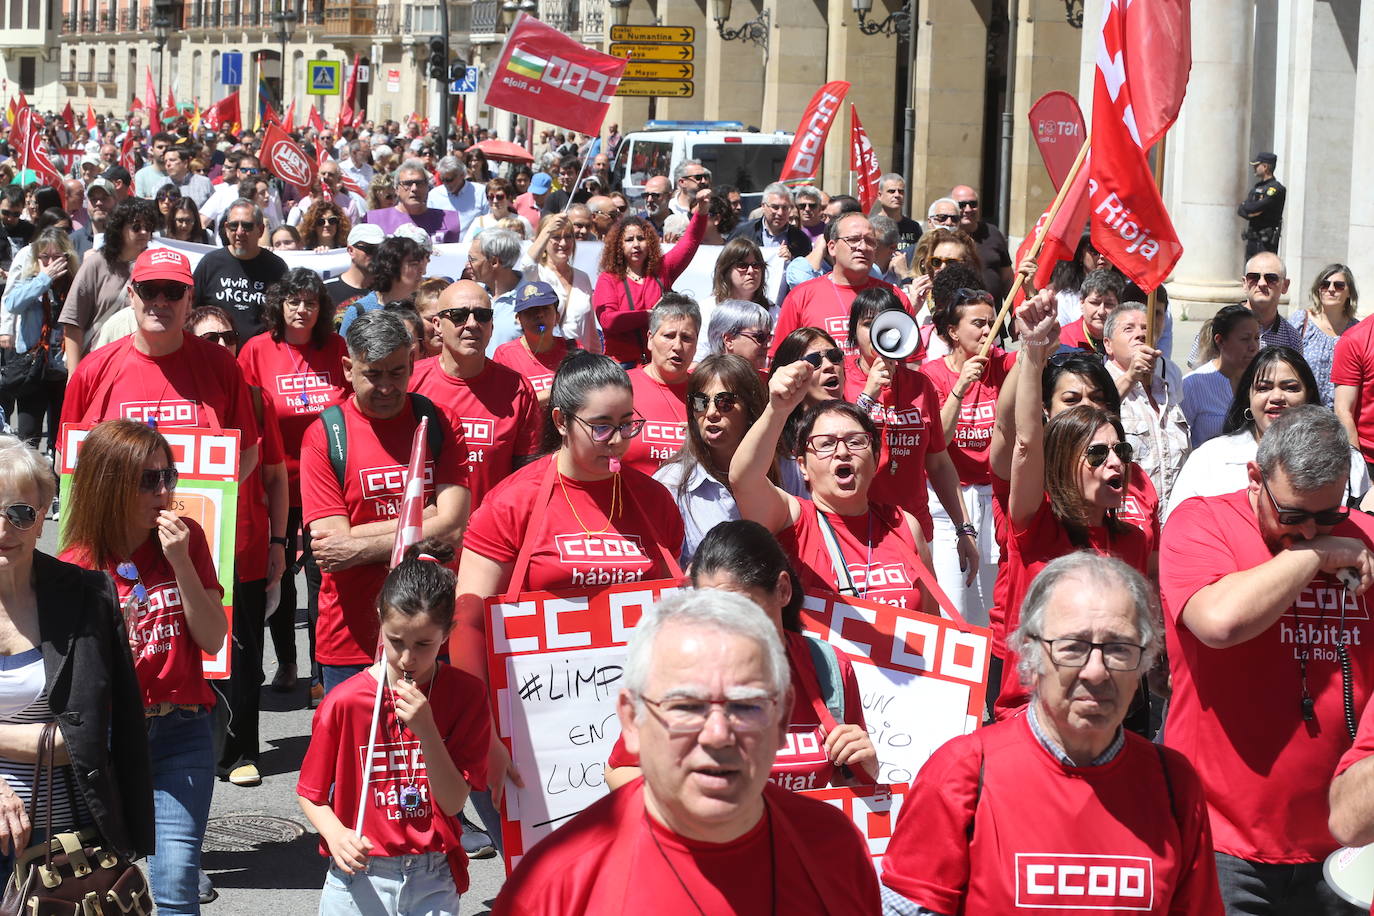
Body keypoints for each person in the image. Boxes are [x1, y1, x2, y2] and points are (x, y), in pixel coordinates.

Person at [491, 589, 881, 914]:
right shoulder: (553, 889)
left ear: (780, 721)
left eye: (745, 706)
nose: (717, 735)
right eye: (686, 707)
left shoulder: (833, 847)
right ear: (632, 722)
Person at [880, 552, 1223, 915]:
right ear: (1031, 653)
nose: (1096, 671)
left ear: (1145, 660)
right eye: (1072, 647)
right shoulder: (964, 771)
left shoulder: (1174, 784)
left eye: (1119, 649)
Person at [456, 352, 686, 849]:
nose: (621, 440)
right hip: (535, 736)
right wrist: (482, 737)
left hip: (642, 728)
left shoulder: (654, 500)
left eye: (629, 423)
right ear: (561, 421)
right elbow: (467, 620)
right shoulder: (512, 500)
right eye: (602, 427)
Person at [1159, 405, 1374, 914]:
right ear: (1256, 477)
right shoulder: (1202, 521)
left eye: (1327, 515)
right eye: (1293, 516)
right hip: (1223, 841)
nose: (1307, 531)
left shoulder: (1362, 536)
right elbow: (1220, 622)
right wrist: (1317, 555)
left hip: (1344, 845)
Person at [59, 419, 227, 915]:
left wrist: (181, 564)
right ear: (109, 483)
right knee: (106, 886)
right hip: (112, 741)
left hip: (183, 729)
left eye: (168, 475)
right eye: (148, 480)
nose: (165, 490)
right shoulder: (78, 564)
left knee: (176, 884)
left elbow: (214, 636)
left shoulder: (186, 538)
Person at [608, 518, 876, 790]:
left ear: (782, 590)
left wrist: (863, 768)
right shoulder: (679, 672)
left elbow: (848, 784)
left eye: (741, 609)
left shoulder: (829, 668)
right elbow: (621, 772)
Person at [297, 539, 489, 916]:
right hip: (359, 875)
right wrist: (336, 836)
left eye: (424, 644)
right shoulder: (347, 701)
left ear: (447, 633)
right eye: (395, 641)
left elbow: (452, 802)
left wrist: (427, 730)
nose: (407, 657)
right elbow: (311, 793)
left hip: (432, 875)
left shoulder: (466, 695)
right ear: (380, 621)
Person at [0, 435, 153, 887]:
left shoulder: (87, 595)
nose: (4, 529)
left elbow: (85, 738)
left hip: (64, 841)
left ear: (44, 511)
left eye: (20, 513)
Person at [991, 295, 1150, 720]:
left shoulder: (1133, 541)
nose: (1115, 462)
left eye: (1122, 451)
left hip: (1109, 713)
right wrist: (1032, 353)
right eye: (1097, 455)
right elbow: (1022, 441)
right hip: (1032, 715)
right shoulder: (1036, 522)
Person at [299, 310, 470, 694]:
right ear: (347, 368)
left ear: (412, 361)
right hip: (350, 638)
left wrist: (360, 541)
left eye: (396, 372)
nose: (387, 387)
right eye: (373, 374)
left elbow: (454, 527)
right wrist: (424, 518)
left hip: (429, 633)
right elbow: (331, 548)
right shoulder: (325, 435)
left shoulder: (440, 422)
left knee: (428, 749)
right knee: (355, 753)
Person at [732, 355, 939, 614]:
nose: (842, 452)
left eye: (855, 441)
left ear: (876, 458)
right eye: (826, 443)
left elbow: (935, 625)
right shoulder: (793, 520)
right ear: (803, 466)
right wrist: (777, 409)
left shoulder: (904, 525)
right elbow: (744, 479)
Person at [186, 305, 288, 787]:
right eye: (210, 338)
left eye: (229, 338)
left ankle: (240, 750)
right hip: (182, 549)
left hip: (243, 546)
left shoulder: (255, 397)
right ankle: (186, 749)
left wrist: (277, 541)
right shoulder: (182, 396)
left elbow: (274, 477)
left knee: (242, 657)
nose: (222, 346)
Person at [237, 269, 351, 696]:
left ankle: (323, 672)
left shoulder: (337, 348)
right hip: (275, 485)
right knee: (278, 577)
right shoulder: (255, 351)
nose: (302, 310)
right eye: (293, 302)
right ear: (279, 307)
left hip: (329, 485)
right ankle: (286, 663)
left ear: (321, 309)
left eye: (310, 302)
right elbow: (245, 412)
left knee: (325, 580)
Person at [60, 247, 260, 479]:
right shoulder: (92, 369)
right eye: (149, 290)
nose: (161, 301)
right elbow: (65, 461)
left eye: (173, 291)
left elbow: (247, 453)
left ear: (189, 299)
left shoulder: (221, 365)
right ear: (131, 296)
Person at [1167, 349, 1373, 528]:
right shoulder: (1209, 459)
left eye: (1290, 387)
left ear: (1308, 396)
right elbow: (1177, 528)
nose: (1276, 397)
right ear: (1248, 396)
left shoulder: (1346, 460)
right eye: (1263, 388)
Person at [919, 287, 1015, 626]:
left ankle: (989, 676)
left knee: (990, 604)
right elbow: (937, 442)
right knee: (954, 605)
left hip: (994, 499)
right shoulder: (931, 375)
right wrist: (960, 388)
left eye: (992, 323)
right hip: (948, 503)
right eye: (978, 324)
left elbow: (1039, 357)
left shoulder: (1003, 365)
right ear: (952, 331)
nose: (989, 331)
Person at [408, 280, 540, 505]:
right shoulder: (410, 383)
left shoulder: (517, 389)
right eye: (459, 315)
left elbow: (528, 477)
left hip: (489, 533)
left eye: (482, 315)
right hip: (421, 533)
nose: (471, 323)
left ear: (492, 325)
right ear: (437, 325)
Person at [647, 356, 779, 563]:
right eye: (700, 402)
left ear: (751, 408)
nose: (711, 413)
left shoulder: (786, 468)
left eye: (725, 402)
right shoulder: (669, 483)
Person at [772, 215, 914, 360]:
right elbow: (780, 362)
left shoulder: (894, 296)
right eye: (853, 240)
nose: (863, 247)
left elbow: (911, 364)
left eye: (870, 241)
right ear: (832, 247)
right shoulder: (801, 296)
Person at [594, 192, 709, 367]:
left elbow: (690, 242)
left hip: (657, 364)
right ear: (619, 245)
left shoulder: (662, 270)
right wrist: (651, 315)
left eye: (641, 238)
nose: (636, 244)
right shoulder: (608, 279)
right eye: (629, 240)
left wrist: (701, 212)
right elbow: (608, 321)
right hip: (621, 366)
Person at [58, 196, 158, 375]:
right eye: (136, 227)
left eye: (148, 227)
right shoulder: (96, 264)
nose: (143, 232)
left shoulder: (155, 265)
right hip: (99, 365)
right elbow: (73, 322)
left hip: (142, 367)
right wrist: (73, 376)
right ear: (119, 228)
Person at [1102, 302, 1191, 505]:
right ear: (1108, 344)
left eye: (1145, 328)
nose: (1140, 334)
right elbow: (1092, 421)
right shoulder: (1097, 383)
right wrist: (1131, 376)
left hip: (1171, 517)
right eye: (1129, 328)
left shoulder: (1169, 380)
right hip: (1127, 517)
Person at [1, 227, 74, 448]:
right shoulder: (31, 279)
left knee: (60, 434)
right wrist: (43, 279)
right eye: (44, 256)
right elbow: (12, 303)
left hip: (62, 367)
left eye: (56, 257)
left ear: (66, 257)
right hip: (33, 367)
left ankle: (55, 478)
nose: (50, 262)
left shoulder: (73, 281)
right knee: (28, 434)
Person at [192, 198, 289, 343]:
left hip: (258, 356)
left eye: (247, 226)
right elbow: (191, 310)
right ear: (225, 228)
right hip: (215, 353)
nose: (239, 232)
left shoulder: (276, 267)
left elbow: (284, 315)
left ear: (260, 230)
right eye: (233, 225)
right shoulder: (210, 263)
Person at [621, 296, 698, 476]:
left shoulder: (706, 393)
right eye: (669, 336)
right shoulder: (620, 387)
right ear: (650, 339)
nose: (677, 346)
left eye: (687, 338)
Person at [1188, 253, 1301, 366]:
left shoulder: (1292, 339)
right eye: (1254, 277)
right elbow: (1194, 376)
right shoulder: (1218, 326)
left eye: (1271, 278)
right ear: (1245, 283)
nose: (1262, 283)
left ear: (1285, 285)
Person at [1182, 305, 1260, 447]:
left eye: (1256, 338)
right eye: (1245, 339)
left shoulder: (1262, 383)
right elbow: (1180, 441)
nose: (1253, 346)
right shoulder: (1192, 384)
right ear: (1220, 340)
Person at [523, 213, 599, 352]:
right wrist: (548, 229)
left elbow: (590, 330)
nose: (563, 243)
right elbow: (527, 264)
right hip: (547, 358)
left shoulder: (583, 278)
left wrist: (597, 358)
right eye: (556, 237)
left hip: (579, 362)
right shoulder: (537, 275)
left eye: (568, 236)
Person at [491, 279, 573, 402]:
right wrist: (554, 393)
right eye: (531, 310)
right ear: (518, 319)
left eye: (545, 309)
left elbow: (587, 392)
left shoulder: (573, 350)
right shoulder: (505, 355)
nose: (539, 315)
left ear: (557, 316)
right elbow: (504, 403)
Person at [1291, 263, 1358, 407]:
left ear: (1349, 292)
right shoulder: (1302, 321)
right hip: (1303, 414)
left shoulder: (1357, 330)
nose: (1331, 289)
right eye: (1325, 285)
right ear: (1318, 289)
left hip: (1340, 418)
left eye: (1339, 285)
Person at [337, 236, 429, 335]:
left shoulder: (425, 306)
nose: (422, 271)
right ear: (392, 267)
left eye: (421, 264)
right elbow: (344, 350)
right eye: (413, 264)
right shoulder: (359, 312)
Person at [366, 160, 462, 243]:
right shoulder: (374, 220)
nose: (414, 188)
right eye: (407, 184)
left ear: (427, 187)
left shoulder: (449, 220)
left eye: (420, 183)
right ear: (396, 189)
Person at [465, 229, 525, 356]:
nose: (467, 265)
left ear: (494, 262)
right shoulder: (471, 295)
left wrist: (539, 327)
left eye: (472, 259)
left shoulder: (532, 299)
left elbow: (546, 334)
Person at [950, 184, 1012, 300]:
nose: (968, 209)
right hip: (960, 314)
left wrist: (1013, 313)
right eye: (962, 205)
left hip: (994, 315)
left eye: (973, 204)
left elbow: (1007, 278)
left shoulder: (993, 233)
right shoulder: (947, 238)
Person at [702, 237, 772, 339]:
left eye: (756, 265)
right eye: (742, 265)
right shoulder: (707, 310)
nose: (751, 271)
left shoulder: (773, 312)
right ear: (726, 270)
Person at [728, 182, 811, 261]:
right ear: (763, 206)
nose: (780, 213)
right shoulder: (742, 233)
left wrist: (792, 260)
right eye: (775, 207)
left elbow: (807, 271)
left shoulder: (801, 240)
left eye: (785, 208)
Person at [325, 223, 383, 316]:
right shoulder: (327, 289)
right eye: (369, 249)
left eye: (380, 249)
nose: (376, 255)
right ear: (351, 251)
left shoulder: (387, 289)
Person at [1237, 151, 1285, 258]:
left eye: (1257, 165)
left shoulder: (1276, 189)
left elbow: (1256, 207)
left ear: (1265, 167)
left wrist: (1252, 210)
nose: (1254, 168)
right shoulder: (1257, 187)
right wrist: (1252, 212)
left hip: (1266, 243)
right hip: (1252, 240)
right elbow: (1242, 209)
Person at [704, 298, 773, 370]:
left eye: (769, 338)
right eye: (760, 337)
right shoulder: (698, 380)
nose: (768, 345)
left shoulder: (772, 380)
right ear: (729, 340)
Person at [461, 178, 532, 241]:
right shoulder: (479, 222)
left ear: (509, 198)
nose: (495, 201)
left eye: (499, 197)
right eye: (491, 197)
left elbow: (530, 246)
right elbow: (466, 246)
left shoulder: (521, 221)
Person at [873, 173, 922, 248]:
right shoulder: (871, 226)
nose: (897, 195)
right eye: (891, 191)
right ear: (880, 196)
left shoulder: (914, 227)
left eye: (901, 191)